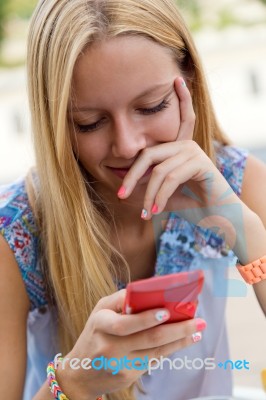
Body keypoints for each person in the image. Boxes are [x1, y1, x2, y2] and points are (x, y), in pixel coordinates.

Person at [0, 0, 266, 399]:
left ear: (188, 85)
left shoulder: (235, 180)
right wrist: (73, 383)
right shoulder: (16, 233)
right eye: (89, 122)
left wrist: (245, 231)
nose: (127, 145)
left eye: (151, 106)